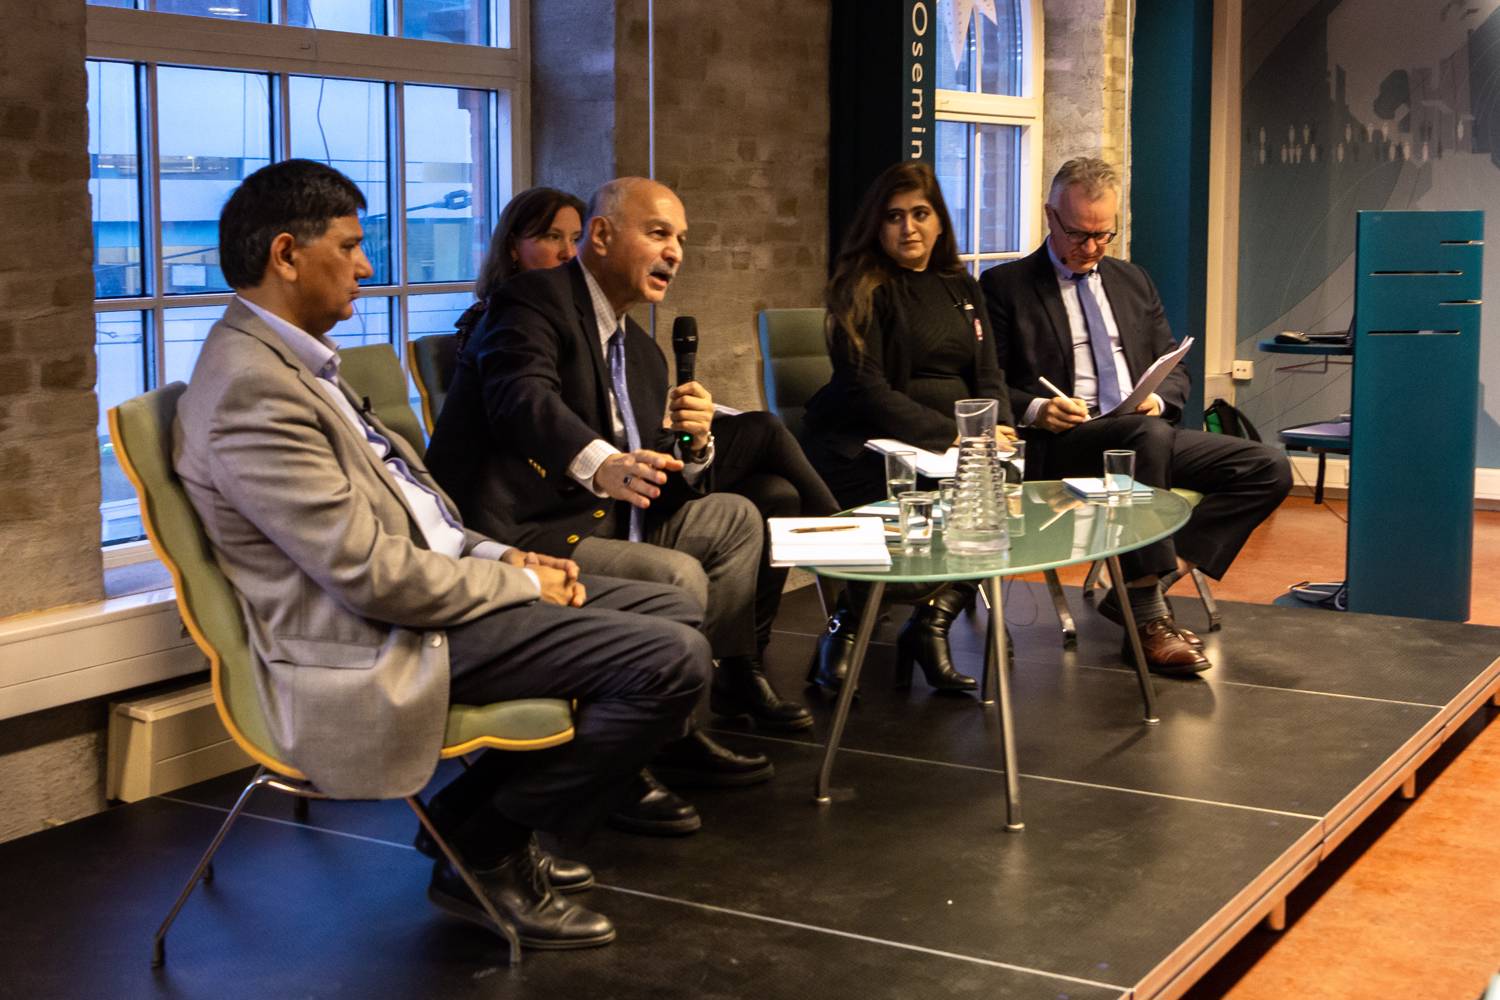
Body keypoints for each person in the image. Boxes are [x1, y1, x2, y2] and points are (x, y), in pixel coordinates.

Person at [173, 159, 710, 949]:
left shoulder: (301, 364)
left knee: (672, 604)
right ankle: (484, 850)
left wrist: (503, 559)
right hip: (378, 638)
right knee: (673, 660)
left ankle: (465, 824)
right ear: (286, 254)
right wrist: (507, 580)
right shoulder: (252, 389)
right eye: (351, 247)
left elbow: (422, 514)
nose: (367, 266)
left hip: (432, 593)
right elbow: (371, 576)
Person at [426, 177, 815, 831]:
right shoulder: (531, 301)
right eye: (659, 233)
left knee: (738, 520)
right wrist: (601, 463)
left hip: (613, 522)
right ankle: (621, 760)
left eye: (682, 240)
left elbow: (654, 470)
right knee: (677, 576)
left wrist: (694, 447)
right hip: (526, 534)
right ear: (601, 237)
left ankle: (670, 726)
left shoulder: (641, 350)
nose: (676, 252)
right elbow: (521, 398)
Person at [980, 157, 1292, 675]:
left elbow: (1173, 365)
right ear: (1049, 216)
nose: (1093, 248)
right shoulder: (1004, 286)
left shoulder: (1133, 280)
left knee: (1267, 467)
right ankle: (1147, 621)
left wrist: (1161, 397)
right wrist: (1036, 408)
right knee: (1145, 436)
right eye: (1080, 235)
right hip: (1065, 444)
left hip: (1144, 431)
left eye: (1106, 235)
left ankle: (1138, 589)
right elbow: (985, 380)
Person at [800, 161, 1015, 694]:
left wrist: (996, 431)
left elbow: (988, 373)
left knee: (1002, 489)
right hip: (862, 442)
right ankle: (845, 627)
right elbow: (867, 392)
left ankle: (932, 623)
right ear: (878, 226)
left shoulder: (962, 287)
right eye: (894, 217)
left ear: (940, 221)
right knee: (919, 496)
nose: (909, 228)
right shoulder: (863, 287)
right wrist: (955, 437)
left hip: (953, 445)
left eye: (921, 214)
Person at [453, 187, 586, 353]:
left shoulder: (576, 309)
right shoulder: (505, 318)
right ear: (513, 246)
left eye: (576, 239)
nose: (569, 253)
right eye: (553, 236)